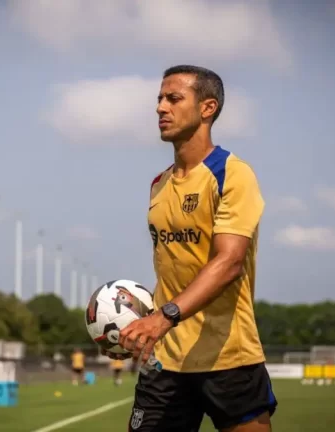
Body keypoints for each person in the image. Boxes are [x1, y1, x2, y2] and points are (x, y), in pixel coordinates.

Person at [103, 65, 277, 432]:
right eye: (159, 99)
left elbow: (229, 263)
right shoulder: (158, 184)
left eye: (173, 98)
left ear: (207, 108)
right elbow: (171, 268)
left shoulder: (232, 173)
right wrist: (130, 327)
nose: (160, 108)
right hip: (166, 359)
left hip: (229, 355)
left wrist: (162, 317)